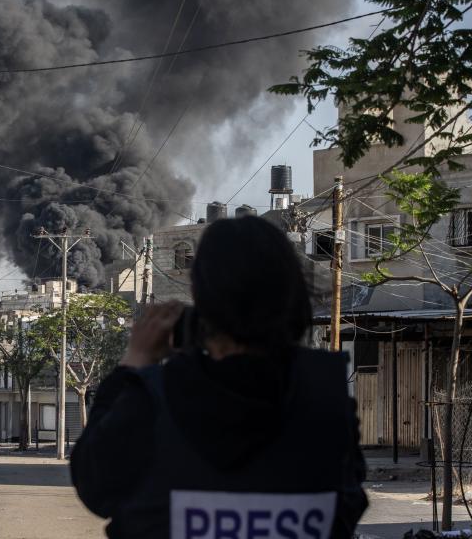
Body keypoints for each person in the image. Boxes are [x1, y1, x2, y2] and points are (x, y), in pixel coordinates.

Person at [70, 215, 368, 539]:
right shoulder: (326, 399)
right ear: (293, 295)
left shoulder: (154, 398)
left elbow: (95, 486)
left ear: (199, 296)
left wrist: (134, 362)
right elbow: (346, 508)